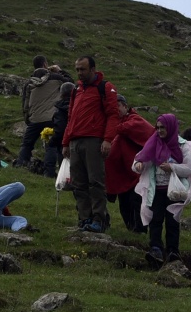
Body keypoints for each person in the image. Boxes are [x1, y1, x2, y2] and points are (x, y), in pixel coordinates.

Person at [64, 55, 119, 232]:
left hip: (94, 141)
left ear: (93, 69)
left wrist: (107, 140)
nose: (79, 73)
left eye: (83, 69)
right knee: (78, 183)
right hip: (75, 141)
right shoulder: (76, 90)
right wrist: (66, 142)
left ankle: (98, 219)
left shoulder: (105, 87)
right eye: (77, 69)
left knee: (95, 182)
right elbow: (70, 117)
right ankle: (84, 218)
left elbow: (113, 115)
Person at [132, 113, 191, 265]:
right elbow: (139, 159)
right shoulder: (153, 143)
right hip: (157, 189)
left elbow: (189, 168)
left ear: (171, 128)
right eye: (158, 127)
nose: (159, 131)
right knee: (156, 219)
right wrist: (138, 165)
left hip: (175, 191)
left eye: (163, 128)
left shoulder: (183, 146)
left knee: (172, 221)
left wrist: (171, 167)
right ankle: (156, 249)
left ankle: (173, 252)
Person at [106, 96, 154, 232]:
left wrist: (114, 127)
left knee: (136, 200)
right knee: (124, 202)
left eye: (118, 107)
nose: (115, 111)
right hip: (121, 172)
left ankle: (140, 229)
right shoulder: (113, 123)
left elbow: (139, 129)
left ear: (125, 107)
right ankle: (130, 228)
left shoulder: (135, 119)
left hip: (136, 170)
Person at [16, 56, 72, 171]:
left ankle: (19, 167)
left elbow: (25, 104)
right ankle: (50, 172)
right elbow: (70, 84)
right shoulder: (56, 77)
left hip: (35, 119)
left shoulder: (29, 83)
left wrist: (28, 120)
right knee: (51, 145)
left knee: (27, 145)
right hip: (52, 118)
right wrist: (60, 70)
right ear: (45, 64)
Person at [48, 81, 76, 177]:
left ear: (61, 94)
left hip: (64, 144)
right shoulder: (79, 106)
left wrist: (52, 141)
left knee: (65, 168)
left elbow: (60, 129)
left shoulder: (60, 109)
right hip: (78, 141)